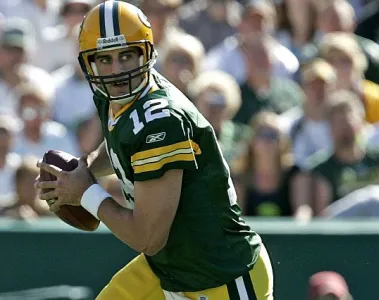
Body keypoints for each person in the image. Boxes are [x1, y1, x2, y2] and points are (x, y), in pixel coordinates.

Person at [35, 1, 274, 299]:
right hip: (172, 264)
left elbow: (148, 236)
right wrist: (85, 169)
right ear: (89, 62)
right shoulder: (116, 95)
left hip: (217, 275)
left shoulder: (161, 123)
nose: (116, 71)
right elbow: (120, 143)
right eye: (105, 59)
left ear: (146, 53)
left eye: (126, 55)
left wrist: (85, 193)